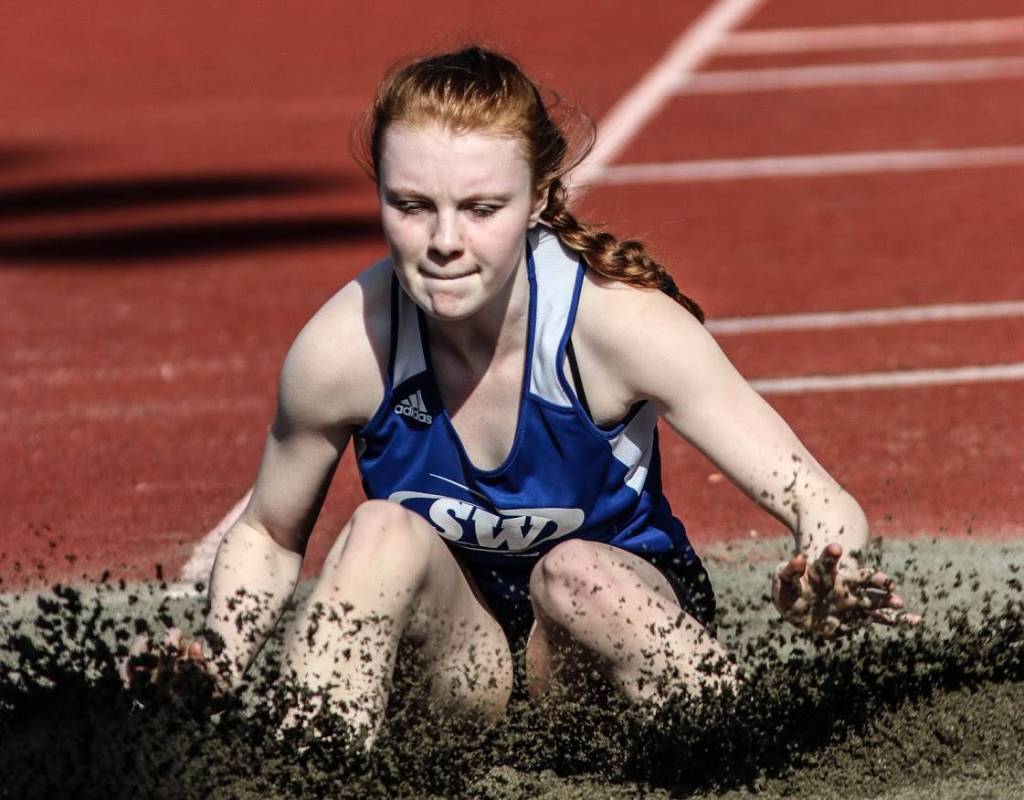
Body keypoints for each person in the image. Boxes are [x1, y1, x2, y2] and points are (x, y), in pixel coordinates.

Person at [126, 46, 917, 745]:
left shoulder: (620, 326)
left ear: (538, 198)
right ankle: (303, 770)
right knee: (375, 533)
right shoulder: (344, 349)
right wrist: (221, 658)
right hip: (463, 668)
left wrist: (826, 565)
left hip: (604, 651)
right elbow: (268, 531)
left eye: (481, 208)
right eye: (411, 206)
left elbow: (820, 499)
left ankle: (747, 756)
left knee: (575, 572)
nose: (443, 242)